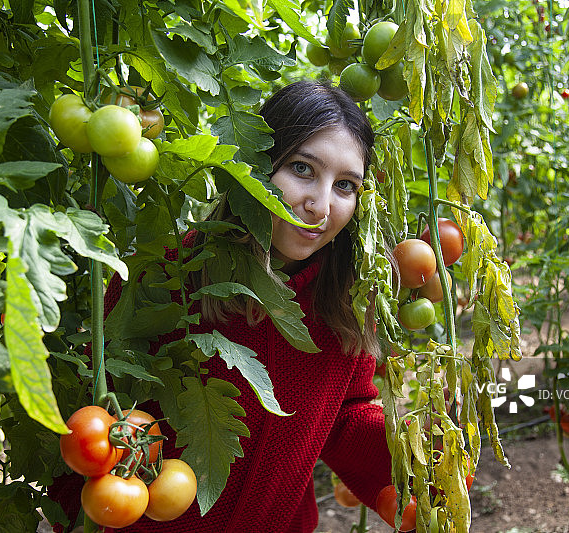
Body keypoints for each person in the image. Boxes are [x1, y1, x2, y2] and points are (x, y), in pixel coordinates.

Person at [49, 79, 394, 532]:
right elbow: (93, 419)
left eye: (345, 185)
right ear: (254, 166)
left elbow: (345, 414)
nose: (320, 205)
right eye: (303, 169)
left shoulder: (345, 305)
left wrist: (416, 447)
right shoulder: (165, 276)